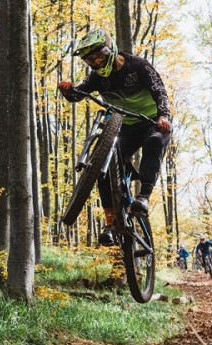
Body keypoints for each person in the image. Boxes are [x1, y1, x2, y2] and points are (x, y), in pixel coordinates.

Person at [58, 28, 172, 246]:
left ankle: (143, 197)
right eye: (90, 60)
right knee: (102, 162)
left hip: (151, 121)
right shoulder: (97, 78)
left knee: (154, 141)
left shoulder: (137, 65)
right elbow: (78, 94)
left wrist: (163, 115)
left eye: (99, 55)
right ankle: (110, 220)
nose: (97, 62)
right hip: (126, 127)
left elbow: (159, 90)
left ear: (110, 49)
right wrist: (67, 90)